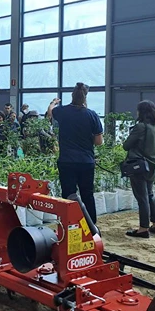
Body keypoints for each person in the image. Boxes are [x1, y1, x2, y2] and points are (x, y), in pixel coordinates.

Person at [50, 82, 103, 224]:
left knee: (68, 195)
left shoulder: (62, 111)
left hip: (66, 161)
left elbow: (50, 112)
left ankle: (68, 224)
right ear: (85, 97)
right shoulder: (92, 115)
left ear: (72, 96)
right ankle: (91, 227)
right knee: (87, 195)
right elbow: (99, 141)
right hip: (86, 161)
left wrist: (53, 103)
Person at [123, 100, 155, 238]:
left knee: (142, 197)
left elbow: (126, 146)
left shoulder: (141, 127)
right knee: (149, 195)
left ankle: (143, 228)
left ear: (141, 112)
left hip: (139, 166)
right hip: (152, 165)